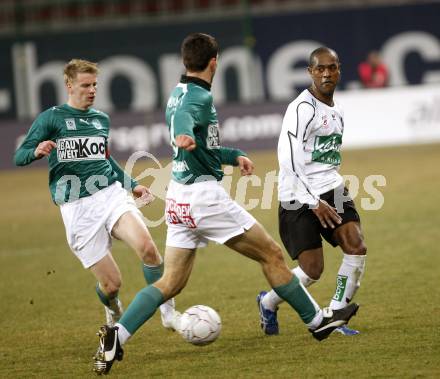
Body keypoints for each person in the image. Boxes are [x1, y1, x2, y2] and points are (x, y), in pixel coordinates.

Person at [92, 34, 359, 375]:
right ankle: (317, 322)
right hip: (204, 199)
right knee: (272, 255)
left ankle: (117, 335)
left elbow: (200, 140)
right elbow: (184, 123)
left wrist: (233, 156)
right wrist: (181, 135)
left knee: (171, 282)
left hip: (178, 198)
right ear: (215, 61)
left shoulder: (178, 92)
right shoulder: (198, 97)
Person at [13, 59, 178, 333]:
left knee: (148, 248)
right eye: (85, 85)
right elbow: (18, 156)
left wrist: (132, 184)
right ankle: (112, 307)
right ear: (68, 85)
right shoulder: (51, 118)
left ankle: (168, 313)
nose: (92, 91)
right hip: (77, 208)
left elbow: (105, 160)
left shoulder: (101, 119)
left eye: (95, 85)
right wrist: (35, 151)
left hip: (110, 195)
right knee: (112, 285)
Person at [256, 47, 367, 337]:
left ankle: (335, 315)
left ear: (339, 69)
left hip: (332, 188)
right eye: (320, 69)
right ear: (310, 72)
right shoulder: (301, 109)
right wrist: (313, 201)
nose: (326, 74)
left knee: (356, 246)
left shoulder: (338, 109)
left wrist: (325, 195)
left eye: (332, 67)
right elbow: (288, 160)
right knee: (312, 269)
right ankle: (268, 302)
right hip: (297, 196)